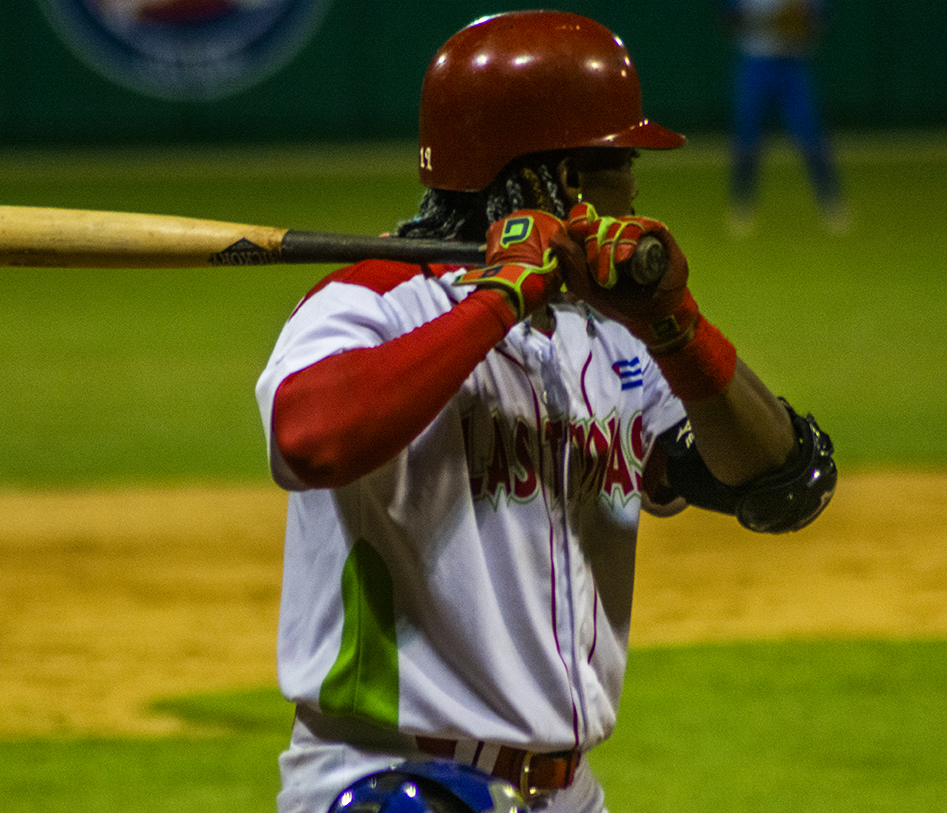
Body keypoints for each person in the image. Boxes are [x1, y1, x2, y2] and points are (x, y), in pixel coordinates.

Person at [256, 11, 836, 813]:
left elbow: (780, 482)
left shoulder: (609, 335)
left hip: (566, 791)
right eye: (618, 160)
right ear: (551, 179)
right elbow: (310, 438)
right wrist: (498, 298)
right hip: (381, 778)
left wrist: (678, 327)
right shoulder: (369, 301)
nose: (634, 184)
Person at [721, 0, 848, 235]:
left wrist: (803, 18)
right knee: (747, 137)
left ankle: (832, 204)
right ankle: (741, 206)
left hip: (793, 62)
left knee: (811, 135)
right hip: (756, 60)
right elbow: (730, 16)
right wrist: (772, 19)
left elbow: (821, 17)